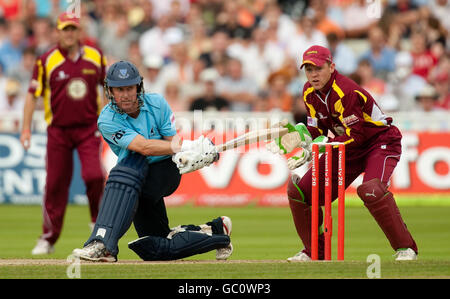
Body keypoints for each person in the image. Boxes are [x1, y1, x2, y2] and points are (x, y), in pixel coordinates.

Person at [267, 45, 418, 261]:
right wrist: (300, 137)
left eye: (318, 68)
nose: (314, 75)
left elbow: (356, 135)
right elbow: (316, 129)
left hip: (379, 141)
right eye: (309, 70)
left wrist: (323, 142)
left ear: (331, 66)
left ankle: (406, 248)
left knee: (371, 190)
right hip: (346, 146)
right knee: (300, 193)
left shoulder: (345, 91)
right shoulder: (308, 92)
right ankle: (314, 252)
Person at [71, 60, 233, 262]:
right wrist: (185, 146)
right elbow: (143, 147)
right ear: (110, 91)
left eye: (129, 88)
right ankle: (216, 233)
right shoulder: (107, 119)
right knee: (156, 247)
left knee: (124, 171)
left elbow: (171, 143)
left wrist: (193, 154)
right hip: (135, 181)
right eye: (119, 89)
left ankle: (102, 244)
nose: (125, 94)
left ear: (138, 87)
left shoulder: (157, 103)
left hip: (163, 171)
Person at [20, 12, 107, 255]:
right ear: (57, 31)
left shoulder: (95, 55)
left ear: (80, 32)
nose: (69, 34)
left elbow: (107, 88)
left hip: (89, 128)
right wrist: (25, 127)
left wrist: (107, 118)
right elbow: (31, 95)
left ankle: (99, 227)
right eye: (65, 29)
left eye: (73, 29)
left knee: (93, 175)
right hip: (58, 130)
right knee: (56, 183)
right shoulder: (46, 59)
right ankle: (48, 237)